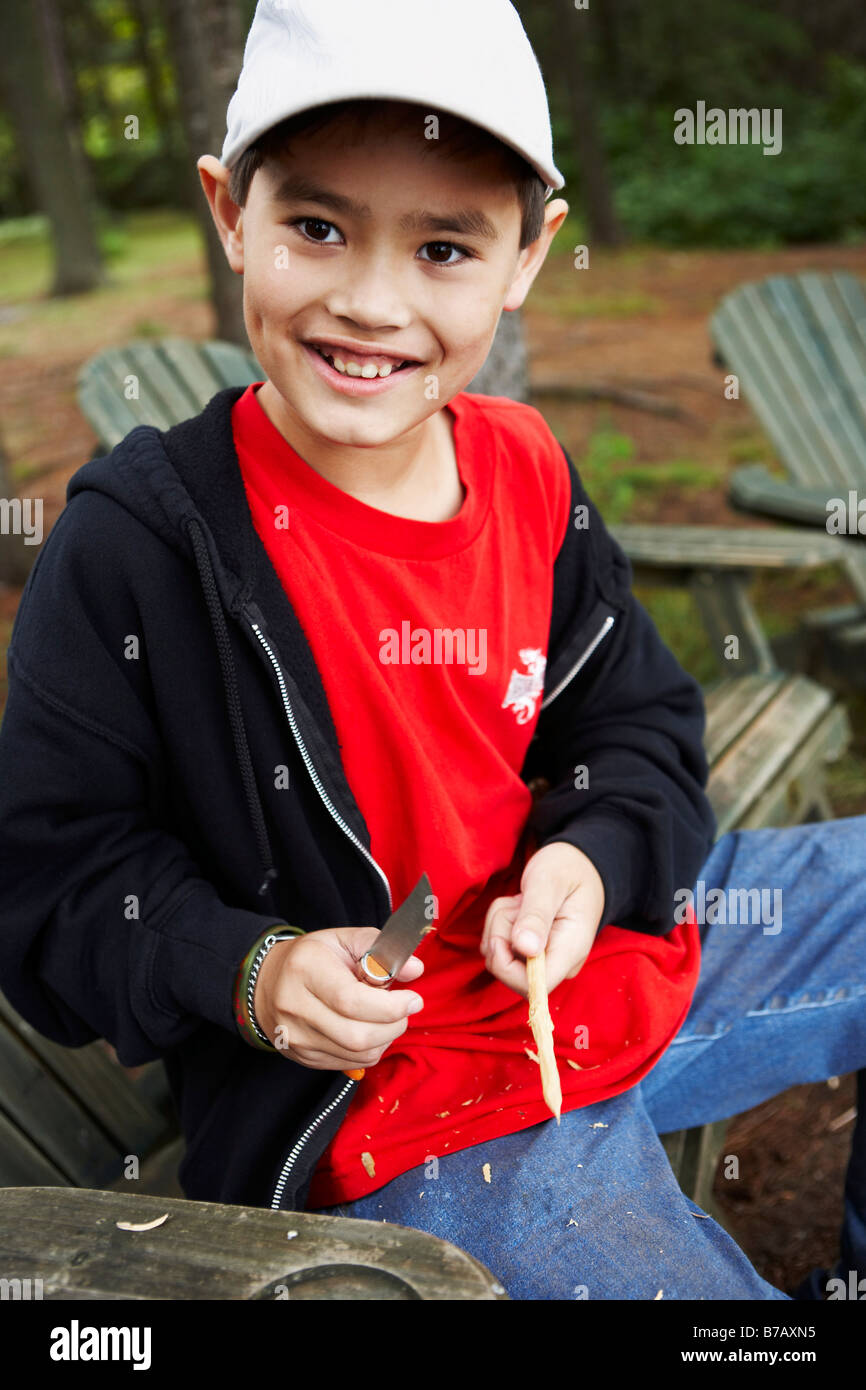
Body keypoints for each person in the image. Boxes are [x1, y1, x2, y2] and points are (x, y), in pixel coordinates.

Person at [0, 0, 863, 1301]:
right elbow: (51, 880)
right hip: (401, 1114)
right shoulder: (144, 546)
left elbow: (629, 726)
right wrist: (245, 968)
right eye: (317, 226)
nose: (370, 301)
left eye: (445, 244)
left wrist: (589, 852)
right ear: (230, 209)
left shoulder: (523, 470)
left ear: (528, 255)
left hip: (606, 975)